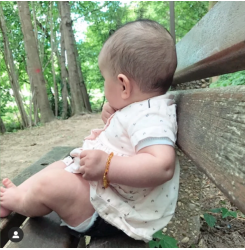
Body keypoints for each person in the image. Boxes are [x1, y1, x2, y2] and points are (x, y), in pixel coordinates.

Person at [0, 19, 179, 242]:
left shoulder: (152, 117)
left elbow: (161, 166)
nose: (105, 87)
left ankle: (18, 202)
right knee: (58, 167)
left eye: (105, 80)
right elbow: (128, 137)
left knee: (52, 185)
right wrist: (115, 114)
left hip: (114, 213)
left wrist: (108, 166)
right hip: (106, 195)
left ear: (123, 85)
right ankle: (19, 194)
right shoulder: (143, 108)